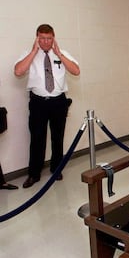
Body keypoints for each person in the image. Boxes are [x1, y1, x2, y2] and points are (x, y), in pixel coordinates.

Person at [14, 24, 80, 188]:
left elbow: (76, 71)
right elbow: (18, 71)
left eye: (49, 38)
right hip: (38, 102)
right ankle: (34, 174)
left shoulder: (62, 53)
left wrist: (59, 54)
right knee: (37, 138)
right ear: (37, 38)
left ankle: (56, 169)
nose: (45, 41)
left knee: (58, 137)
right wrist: (34, 52)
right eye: (42, 38)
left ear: (53, 38)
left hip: (58, 101)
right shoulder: (28, 54)